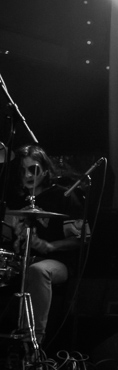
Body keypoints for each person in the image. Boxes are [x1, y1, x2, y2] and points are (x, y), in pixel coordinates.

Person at [4, 145, 87, 346]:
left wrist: (50, 246)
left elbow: (80, 239)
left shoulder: (63, 196)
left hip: (57, 262)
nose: (27, 175)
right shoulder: (18, 198)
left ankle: (33, 341)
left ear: (45, 169)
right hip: (22, 259)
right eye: (22, 170)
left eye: (32, 169)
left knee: (38, 270)